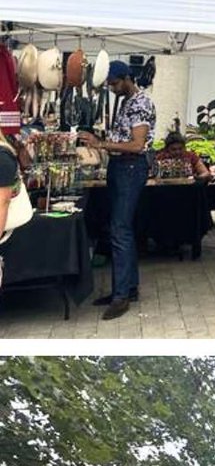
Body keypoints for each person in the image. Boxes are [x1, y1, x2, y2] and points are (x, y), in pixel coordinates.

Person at [80, 61, 155, 320]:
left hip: (131, 167)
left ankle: (121, 296)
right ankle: (126, 289)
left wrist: (101, 144)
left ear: (126, 78)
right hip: (121, 166)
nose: (112, 88)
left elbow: (137, 145)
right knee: (121, 229)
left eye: (114, 83)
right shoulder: (126, 101)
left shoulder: (141, 103)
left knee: (120, 230)